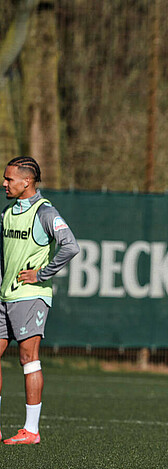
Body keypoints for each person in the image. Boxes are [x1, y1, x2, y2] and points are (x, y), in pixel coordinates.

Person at [0, 156, 80, 444]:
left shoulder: (45, 212)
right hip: (4, 295)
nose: (5, 183)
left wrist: (42, 273)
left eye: (9, 179)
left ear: (27, 182)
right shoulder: (7, 213)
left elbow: (70, 246)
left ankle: (31, 430)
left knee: (27, 358)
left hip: (30, 296)